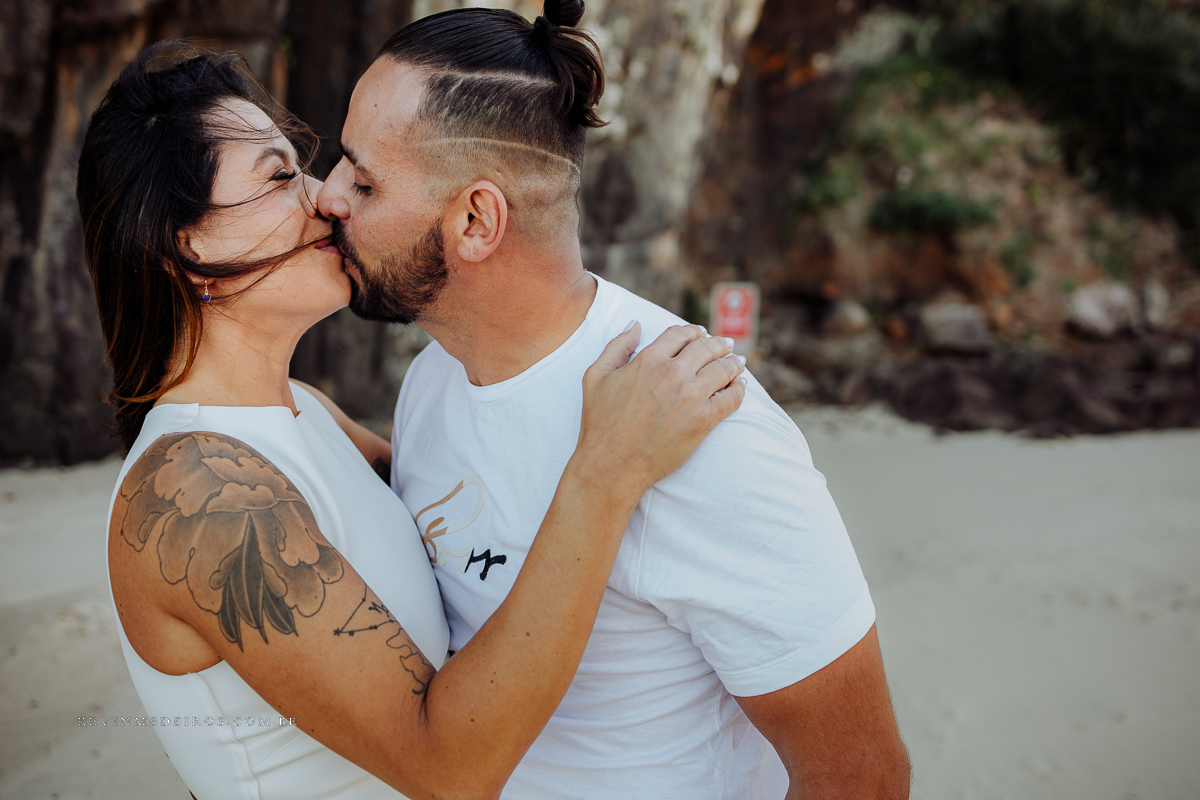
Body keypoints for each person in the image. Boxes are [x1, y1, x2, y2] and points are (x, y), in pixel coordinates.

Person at [78, 41, 747, 800]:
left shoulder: (303, 414)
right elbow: (449, 769)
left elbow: (467, 511)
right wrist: (606, 472)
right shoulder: (198, 491)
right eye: (277, 177)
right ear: (185, 246)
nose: (325, 197)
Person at [315, 1, 912, 798]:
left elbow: (862, 776)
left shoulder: (699, 426)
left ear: (474, 219)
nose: (327, 197)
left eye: (362, 177)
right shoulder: (436, 374)